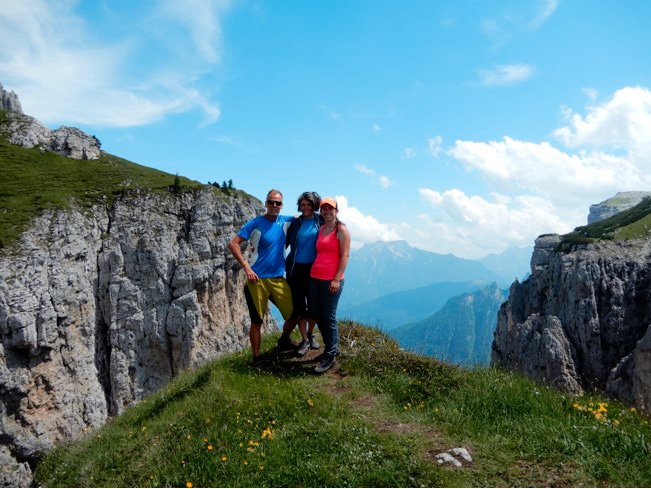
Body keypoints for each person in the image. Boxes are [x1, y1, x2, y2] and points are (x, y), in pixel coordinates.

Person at [228, 189, 295, 365]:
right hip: (256, 280)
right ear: (265, 204)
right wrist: (247, 268)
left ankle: (284, 340)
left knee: (295, 314)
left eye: (278, 203)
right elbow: (233, 244)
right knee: (257, 321)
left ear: (282, 205)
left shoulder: (286, 221)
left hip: (278, 278)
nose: (274, 206)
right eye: (271, 202)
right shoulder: (255, 223)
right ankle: (257, 358)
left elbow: (307, 217)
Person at [308, 196, 351, 373]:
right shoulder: (322, 228)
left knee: (329, 316)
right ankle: (329, 349)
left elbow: (345, 256)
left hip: (331, 280)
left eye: (330, 208)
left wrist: (336, 279)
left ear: (336, 211)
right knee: (317, 314)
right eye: (323, 209)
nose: (326, 211)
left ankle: (331, 355)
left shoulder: (341, 230)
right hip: (315, 276)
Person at [285, 191, 324, 357]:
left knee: (314, 304)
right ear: (299, 206)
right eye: (303, 204)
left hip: (314, 268)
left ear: (314, 205)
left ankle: (311, 333)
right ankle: (304, 339)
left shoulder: (320, 221)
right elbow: (283, 241)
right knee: (299, 305)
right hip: (295, 269)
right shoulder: (294, 223)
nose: (305, 207)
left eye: (309, 204)